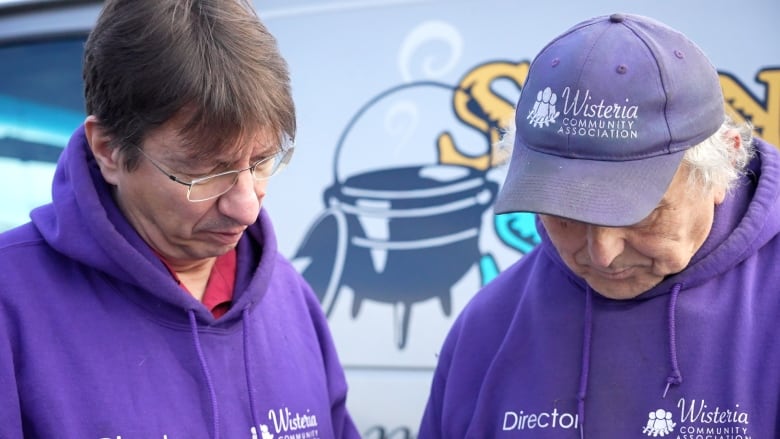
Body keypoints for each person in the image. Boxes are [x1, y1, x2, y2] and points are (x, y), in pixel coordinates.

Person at [0, 1, 360, 438]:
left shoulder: (291, 297)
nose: (247, 207)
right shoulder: (12, 303)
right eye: (206, 172)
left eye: (262, 161)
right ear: (109, 151)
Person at [419, 12, 780, 438]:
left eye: (641, 213)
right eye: (566, 214)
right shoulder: (488, 329)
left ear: (722, 168)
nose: (601, 254)